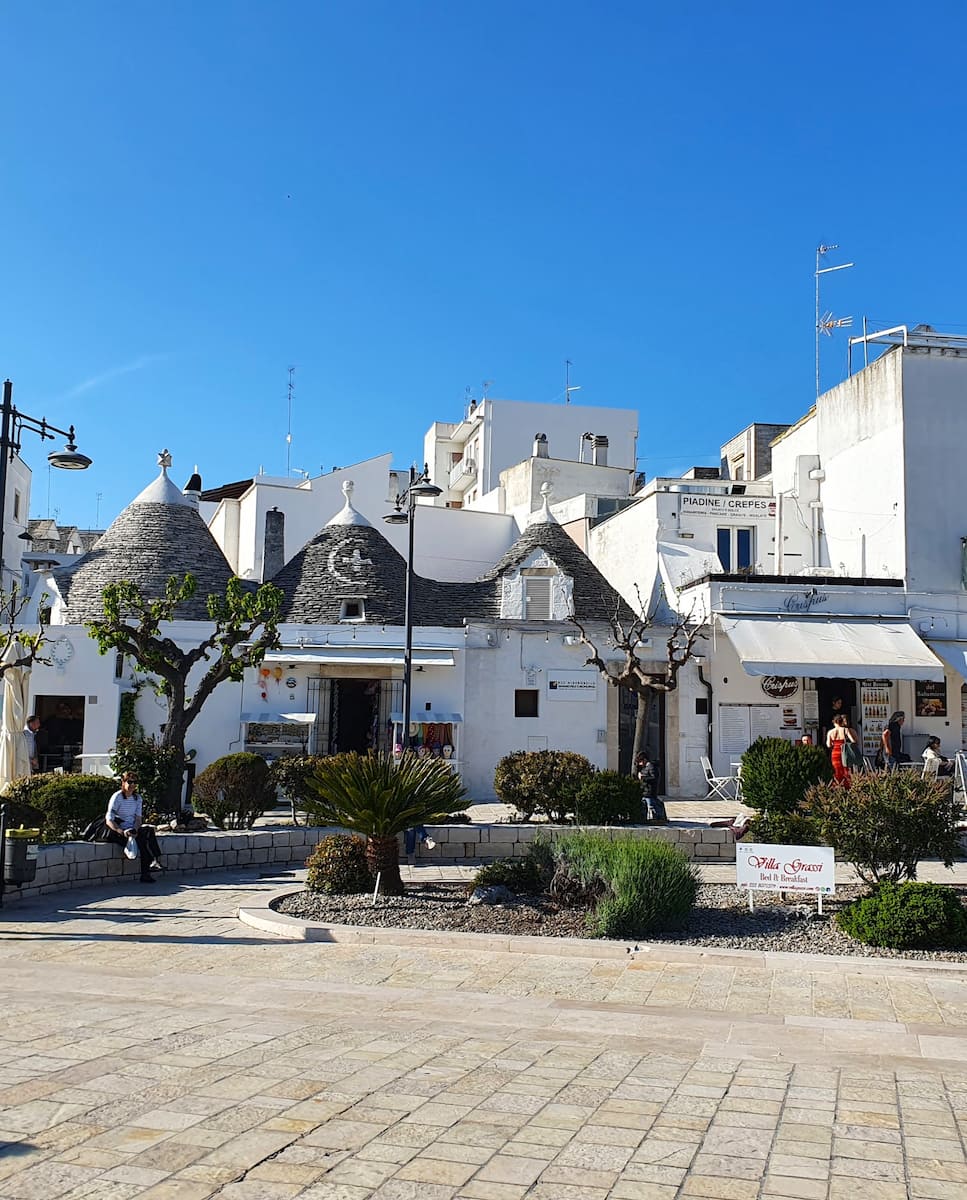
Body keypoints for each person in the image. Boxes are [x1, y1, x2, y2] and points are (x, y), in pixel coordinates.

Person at [104, 772, 164, 883]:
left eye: (135, 782)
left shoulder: (137, 799)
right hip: (119, 830)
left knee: (148, 833)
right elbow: (109, 819)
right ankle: (150, 864)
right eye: (129, 782)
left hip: (132, 829)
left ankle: (154, 862)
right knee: (142, 843)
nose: (132, 785)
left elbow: (138, 819)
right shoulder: (117, 797)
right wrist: (121, 831)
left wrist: (135, 830)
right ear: (123, 782)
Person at [826, 713, 858, 786]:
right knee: (846, 768)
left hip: (835, 752)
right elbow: (853, 741)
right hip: (844, 751)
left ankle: (837, 785)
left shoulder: (830, 732)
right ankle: (847, 785)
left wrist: (834, 744)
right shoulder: (845, 730)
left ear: (835, 722)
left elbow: (828, 745)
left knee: (836, 769)